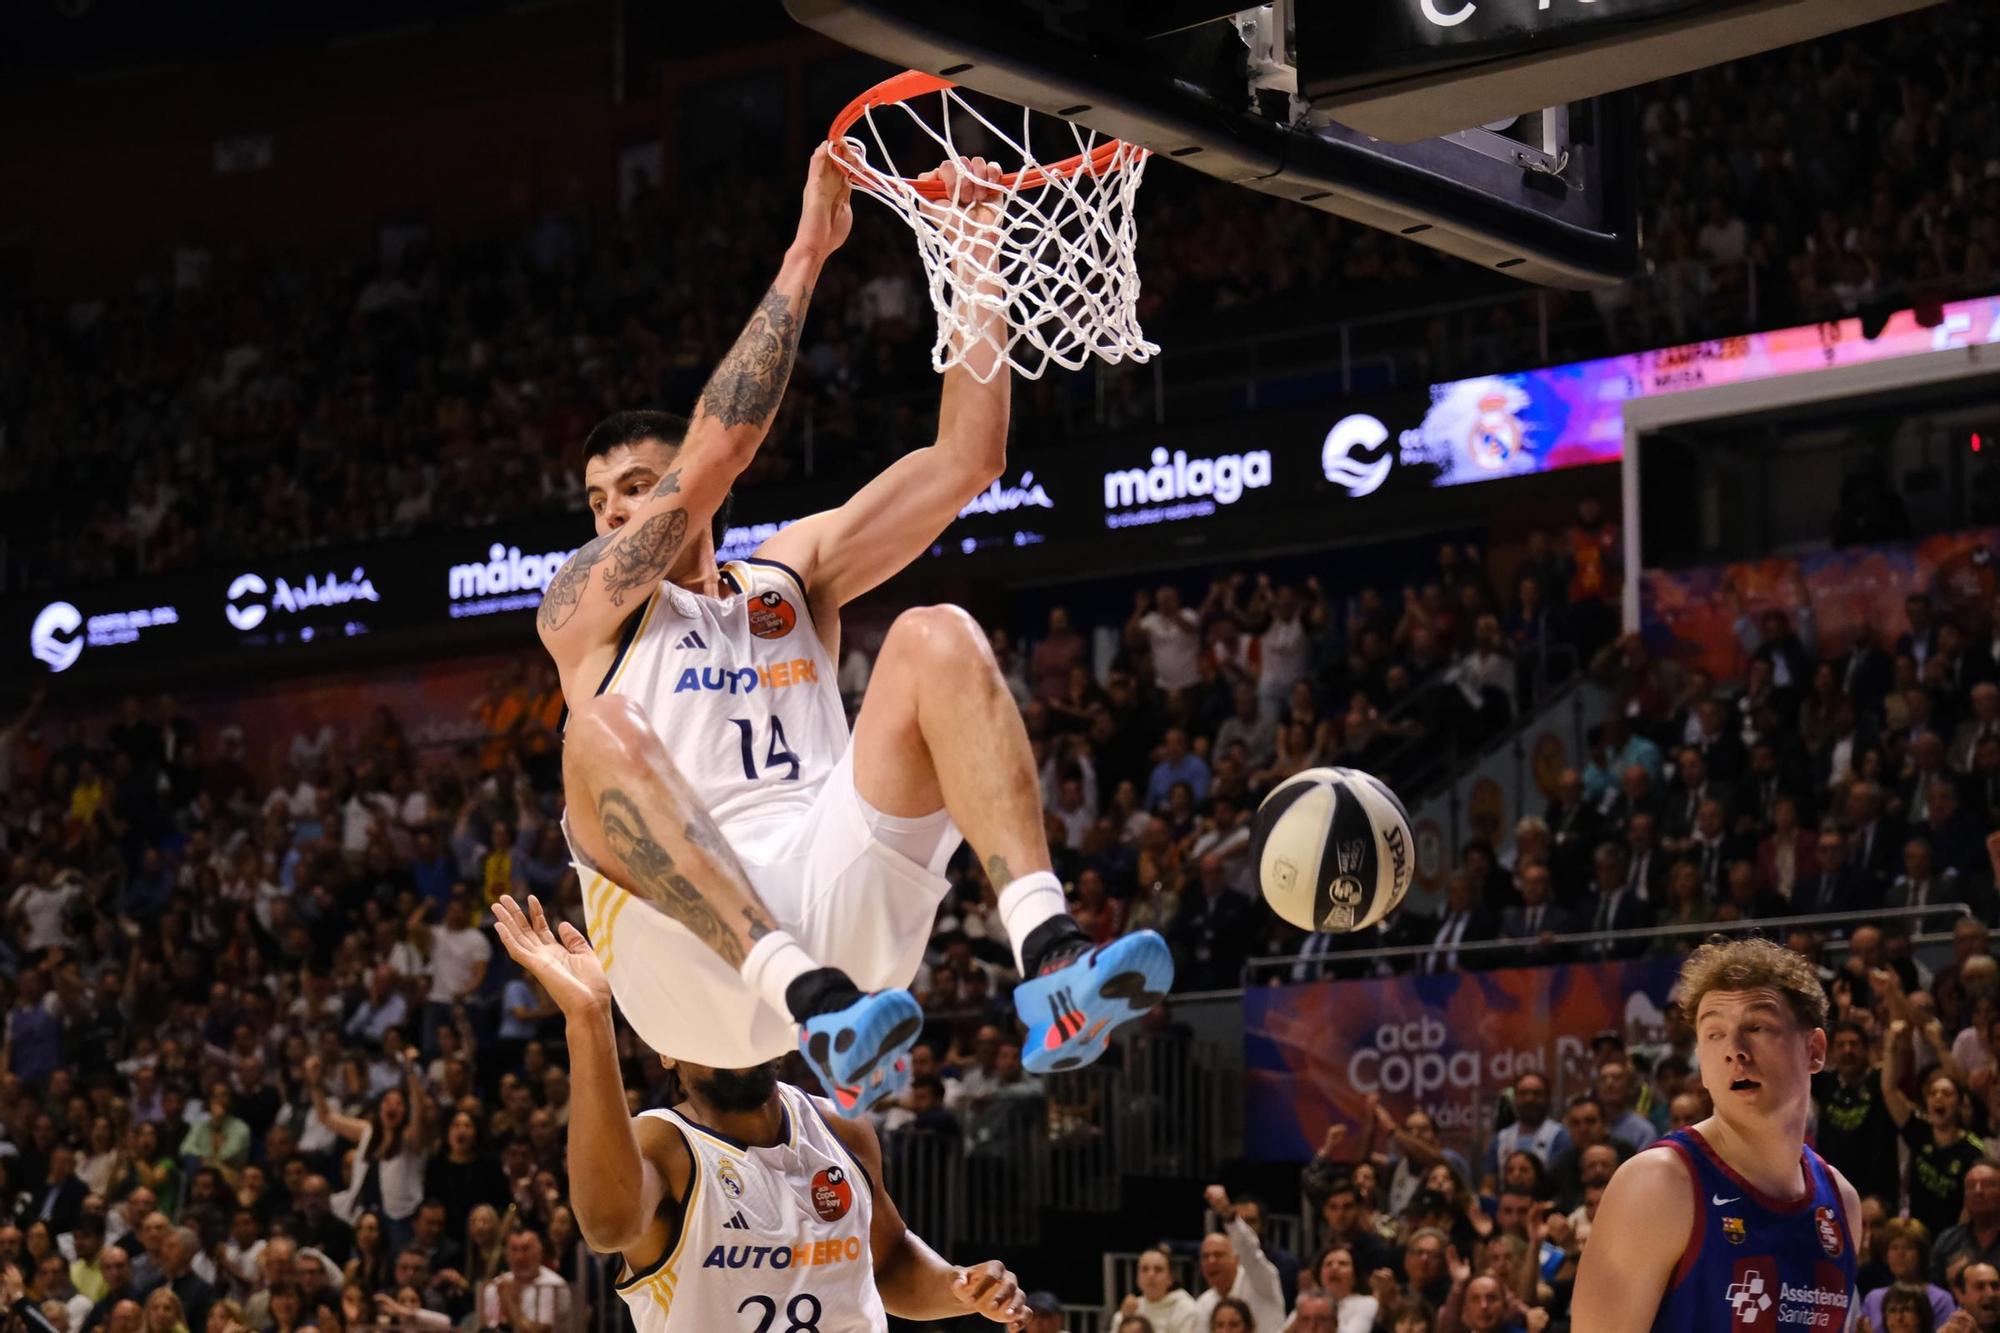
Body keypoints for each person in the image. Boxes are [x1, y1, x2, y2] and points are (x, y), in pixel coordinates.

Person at [536, 149, 1169, 1117]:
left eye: (638, 486)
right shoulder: (583, 607)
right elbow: (724, 441)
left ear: (695, 495)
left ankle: (1049, 954)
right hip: (689, 962)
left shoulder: (789, 575)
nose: (618, 514)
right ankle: (809, 999)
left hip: (841, 905)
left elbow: (967, 457)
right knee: (596, 734)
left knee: (936, 632)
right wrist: (806, 252)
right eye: (598, 500)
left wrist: (976, 242)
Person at [491, 893, 1027, 1331]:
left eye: (742, 1017)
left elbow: (887, 1263)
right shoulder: (666, 1145)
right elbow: (607, 1227)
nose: (729, 1038)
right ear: (666, 1047)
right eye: (706, 1023)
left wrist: (959, 1285)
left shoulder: (841, 1126)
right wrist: (588, 1019)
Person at [1572, 936, 1860, 1330]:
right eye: (1714, 1034)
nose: (1734, 1050)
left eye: (1756, 1027)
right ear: (1702, 1065)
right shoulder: (1658, 1183)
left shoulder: (1842, 1202)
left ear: (1815, 1050)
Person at [1192, 1188, 1284, 1333]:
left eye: (1218, 1255)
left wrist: (1229, 1215)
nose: (1211, 1261)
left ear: (1236, 1258)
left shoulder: (1261, 1280)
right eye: (1205, 1256)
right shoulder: (1204, 1304)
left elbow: (1250, 1251)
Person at [1113, 1248, 1198, 1333]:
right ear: (1137, 1278)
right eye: (1144, 1269)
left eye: (1158, 1269)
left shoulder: (1185, 1308)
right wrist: (1124, 1320)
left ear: (1170, 1278)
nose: (1150, 1275)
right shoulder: (1131, 1309)